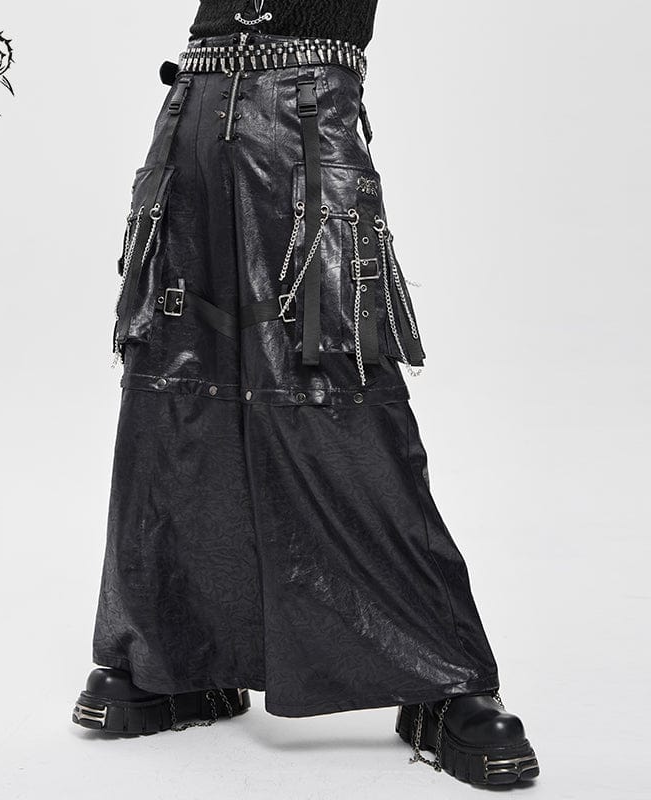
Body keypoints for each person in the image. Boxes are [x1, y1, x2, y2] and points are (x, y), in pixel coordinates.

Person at [72, 1, 539, 787]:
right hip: (193, 110)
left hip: (307, 117)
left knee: (335, 382)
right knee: (176, 388)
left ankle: (442, 677)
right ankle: (174, 661)